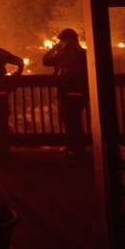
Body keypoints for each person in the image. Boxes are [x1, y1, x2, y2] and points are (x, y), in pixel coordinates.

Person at [43, 28, 89, 157]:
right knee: (76, 120)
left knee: (69, 120)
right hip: (81, 91)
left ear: (65, 40)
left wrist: (54, 49)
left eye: (61, 40)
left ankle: (72, 148)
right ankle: (79, 147)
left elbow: (45, 61)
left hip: (65, 91)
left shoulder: (61, 54)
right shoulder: (83, 54)